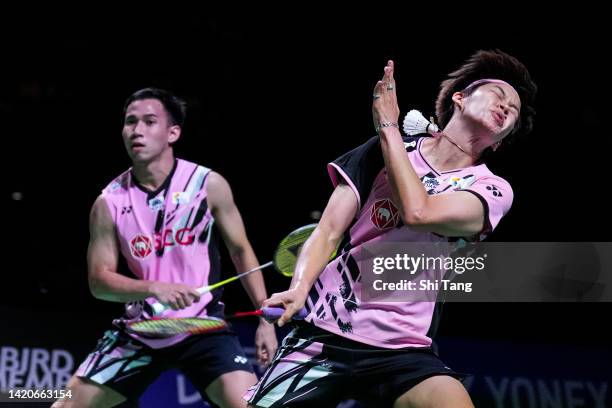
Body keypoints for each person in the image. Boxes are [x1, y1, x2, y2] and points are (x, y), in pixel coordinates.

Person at [245, 50, 536, 407]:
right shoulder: (378, 152)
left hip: (404, 348)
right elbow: (328, 230)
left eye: (515, 110)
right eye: (498, 94)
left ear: (501, 141)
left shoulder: (491, 189)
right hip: (327, 330)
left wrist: (388, 128)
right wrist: (299, 288)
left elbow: (418, 211)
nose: (507, 107)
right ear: (459, 98)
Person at [53, 88, 277, 408]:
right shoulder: (109, 202)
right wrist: (154, 287)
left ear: (173, 132)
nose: (137, 130)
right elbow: (98, 282)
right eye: (130, 122)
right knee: (63, 404)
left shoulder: (207, 185)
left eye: (149, 121)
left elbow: (241, 251)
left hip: (203, 328)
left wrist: (264, 318)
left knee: (251, 406)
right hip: (140, 332)